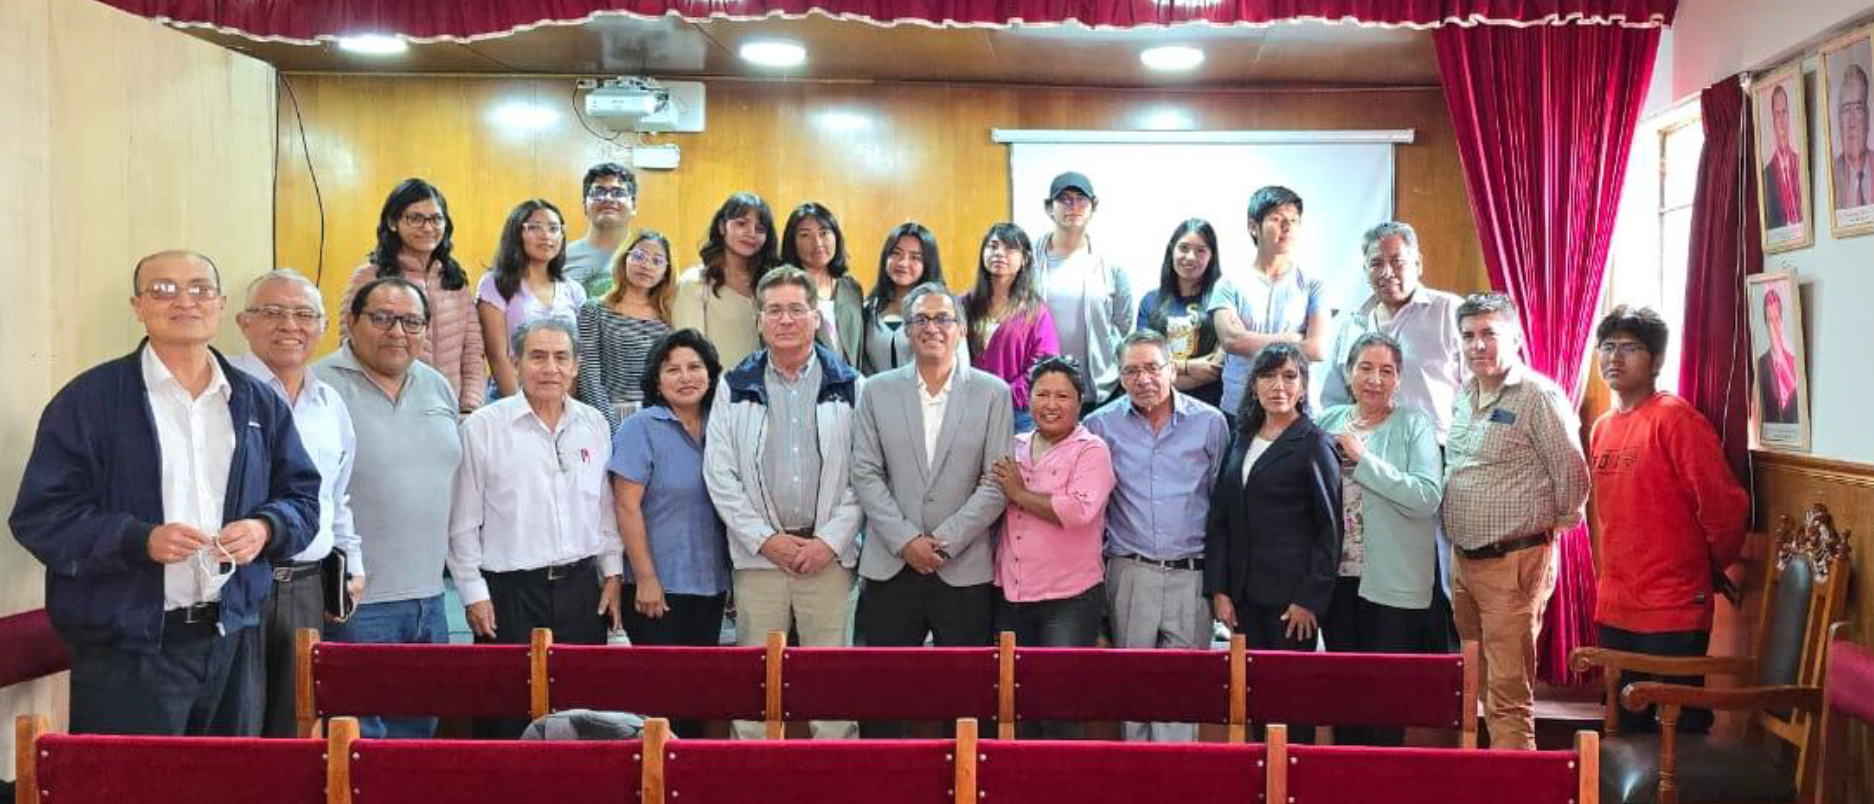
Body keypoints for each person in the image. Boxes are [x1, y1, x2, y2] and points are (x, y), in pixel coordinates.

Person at [11, 250, 319, 735]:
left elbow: (302, 498)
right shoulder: (89, 402)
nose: (184, 300)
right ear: (138, 305)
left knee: (228, 786)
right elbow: (41, 517)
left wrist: (265, 527)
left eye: (199, 289)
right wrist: (138, 540)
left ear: (219, 305)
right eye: (163, 289)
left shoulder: (256, 401)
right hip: (127, 652)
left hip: (233, 640)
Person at [703, 267, 864, 740]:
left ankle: (837, 777)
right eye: (774, 310)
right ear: (759, 320)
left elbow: (866, 475)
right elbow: (720, 473)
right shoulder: (735, 385)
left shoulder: (851, 384)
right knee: (755, 682)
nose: (786, 320)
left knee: (830, 685)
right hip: (759, 560)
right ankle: (751, 778)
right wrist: (766, 540)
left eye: (797, 309)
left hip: (828, 558)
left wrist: (829, 542)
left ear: (816, 317)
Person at [853, 282, 1014, 736]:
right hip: (891, 563)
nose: (932, 328)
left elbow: (997, 480)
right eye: (920, 320)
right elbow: (865, 473)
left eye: (943, 319)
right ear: (905, 331)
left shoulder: (992, 392)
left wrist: (942, 543)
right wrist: (907, 541)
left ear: (962, 329)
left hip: (963, 567)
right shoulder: (876, 391)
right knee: (884, 695)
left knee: (966, 695)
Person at [449, 319, 623, 737]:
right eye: (538, 356)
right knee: (505, 715)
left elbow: (604, 506)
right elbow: (463, 521)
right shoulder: (483, 428)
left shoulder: (594, 424)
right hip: (509, 595)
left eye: (561, 357)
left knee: (582, 719)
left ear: (577, 365)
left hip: (582, 591)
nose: (550, 368)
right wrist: (473, 594)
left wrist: (613, 572)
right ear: (515, 361)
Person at [314, 277, 465, 739]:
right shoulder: (319, 386)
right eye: (382, 318)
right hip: (358, 605)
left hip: (431, 601)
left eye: (411, 321)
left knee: (418, 735)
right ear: (352, 322)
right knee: (361, 744)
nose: (397, 331)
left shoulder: (437, 386)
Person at [1589, 306, 1749, 735]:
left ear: (1657, 361)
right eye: (1607, 347)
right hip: (1616, 606)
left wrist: (1705, 567)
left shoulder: (1676, 419)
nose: (1615, 358)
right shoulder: (1602, 427)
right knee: (1621, 732)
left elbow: (1726, 508)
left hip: (1673, 609)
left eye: (1630, 348)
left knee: (1676, 736)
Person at [1442, 292, 1590, 751]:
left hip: (1515, 564)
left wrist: (1540, 538)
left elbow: (1573, 478)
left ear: (1516, 337)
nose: (1477, 345)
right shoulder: (1465, 394)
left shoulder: (1538, 396)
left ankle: (1514, 788)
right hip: (1465, 563)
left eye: (1489, 333)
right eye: (1468, 336)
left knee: (1508, 699)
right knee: (1481, 689)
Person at [228, 270, 365, 738]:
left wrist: (352, 565)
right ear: (244, 322)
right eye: (273, 312)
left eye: (304, 314)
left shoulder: (330, 404)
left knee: (296, 725)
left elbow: (335, 496)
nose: (290, 324)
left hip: (307, 587)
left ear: (323, 327)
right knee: (236, 724)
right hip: (237, 582)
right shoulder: (219, 392)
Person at [1319, 221, 1466, 654]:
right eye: (1376, 263)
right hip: (1362, 453)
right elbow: (1331, 395)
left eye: (1397, 261)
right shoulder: (1352, 322)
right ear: (1364, 269)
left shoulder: (1446, 312)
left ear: (1417, 262)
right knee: (1369, 575)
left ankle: (1440, 677)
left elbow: (1474, 389)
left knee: (1436, 578)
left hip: (1432, 455)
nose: (1387, 271)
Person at [1083, 331, 1228, 743]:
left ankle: (1178, 782)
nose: (1143, 378)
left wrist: (1220, 584)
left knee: (1182, 693)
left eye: (1152, 367)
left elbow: (1221, 508)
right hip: (1130, 572)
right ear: (1120, 375)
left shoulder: (1210, 423)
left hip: (1192, 575)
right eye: (1131, 370)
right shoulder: (1100, 425)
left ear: (1171, 369)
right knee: (1134, 691)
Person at [1313, 333, 1443, 745]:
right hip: (1337, 579)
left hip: (1393, 582)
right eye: (1365, 368)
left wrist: (1363, 458)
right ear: (1348, 373)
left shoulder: (1414, 424)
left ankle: (1382, 780)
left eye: (1386, 371)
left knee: (1386, 695)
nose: (1374, 379)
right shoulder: (1326, 422)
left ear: (1399, 379)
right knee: (1343, 692)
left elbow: (1426, 496)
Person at [990, 356, 1114, 738]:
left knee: (1059, 706)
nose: (1051, 404)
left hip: (1069, 599)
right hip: (1010, 594)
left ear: (1079, 403)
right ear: (1029, 398)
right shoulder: (1013, 444)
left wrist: (1019, 494)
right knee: (1016, 704)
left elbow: (1078, 510)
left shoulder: (1091, 450)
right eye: (1043, 394)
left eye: (1063, 395)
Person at [1205, 342, 1342, 653]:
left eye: (1290, 376)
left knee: (1288, 696)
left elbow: (1329, 531)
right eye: (1268, 376)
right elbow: (1220, 518)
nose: (1278, 386)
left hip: (1292, 604)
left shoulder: (1316, 444)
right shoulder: (1241, 437)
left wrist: (1309, 600)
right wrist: (1219, 589)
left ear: (1304, 387)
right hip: (1241, 598)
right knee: (1244, 693)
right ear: (1253, 386)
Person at [610, 330, 732, 660]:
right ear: (657, 380)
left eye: (694, 367)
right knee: (661, 697)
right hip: (657, 588)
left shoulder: (722, 426)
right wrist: (647, 578)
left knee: (698, 692)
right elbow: (625, 506)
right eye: (672, 369)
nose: (685, 377)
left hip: (712, 584)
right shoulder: (640, 427)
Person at [339, 178, 486, 413]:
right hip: (389, 409)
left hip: (450, 411)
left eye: (436, 219)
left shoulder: (454, 278)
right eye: (415, 218)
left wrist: (470, 407)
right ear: (393, 222)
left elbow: (473, 351)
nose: (428, 228)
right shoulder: (370, 276)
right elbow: (351, 349)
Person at [1210, 186, 1332, 417]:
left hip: (1296, 407)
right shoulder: (1229, 285)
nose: (1287, 227)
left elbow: (1315, 349)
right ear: (1253, 227)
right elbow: (1232, 341)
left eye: (1294, 220)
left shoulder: (1312, 284)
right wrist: (1291, 339)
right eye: (1276, 219)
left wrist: (1251, 341)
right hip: (1241, 407)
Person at [1030, 171, 1133, 409]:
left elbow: (1122, 325)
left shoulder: (1111, 264)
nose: (1073, 206)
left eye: (1081, 199)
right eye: (1064, 199)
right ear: (1049, 208)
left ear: (1093, 206)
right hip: (1040, 388)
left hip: (1096, 392)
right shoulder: (1028, 259)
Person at [477, 199, 586, 399]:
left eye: (554, 228)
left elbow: (576, 355)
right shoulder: (494, 284)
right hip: (509, 398)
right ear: (516, 233)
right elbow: (497, 357)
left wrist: (564, 405)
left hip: (561, 401)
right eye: (535, 228)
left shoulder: (574, 290)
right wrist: (523, 409)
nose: (546, 235)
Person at [961, 222, 1059, 432]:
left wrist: (1003, 397)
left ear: (1024, 259)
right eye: (993, 246)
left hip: (1018, 415)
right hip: (967, 411)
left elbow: (1043, 367)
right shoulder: (962, 305)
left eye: (1010, 248)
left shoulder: (1036, 311)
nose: (999, 253)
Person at [576, 230, 675, 431]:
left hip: (662, 420)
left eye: (657, 261)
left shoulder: (670, 317)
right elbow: (589, 379)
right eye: (639, 256)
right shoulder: (594, 310)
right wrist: (613, 430)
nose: (646, 265)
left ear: (666, 271)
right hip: (608, 419)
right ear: (624, 259)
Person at [674, 192, 780, 369]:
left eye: (760, 229)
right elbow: (690, 351)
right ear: (722, 226)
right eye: (741, 223)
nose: (751, 233)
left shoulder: (771, 283)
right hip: (720, 391)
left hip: (769, 390)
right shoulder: (695, 281)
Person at [1136, 219, 1226, 408]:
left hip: (1209, 408)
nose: (1191, 257)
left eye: (1201, 250)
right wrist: (1190, 367)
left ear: (1211, 256)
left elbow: (1214, 369)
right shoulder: (1150, 301)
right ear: (1172, 250)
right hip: (1157, 406)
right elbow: (1144, 361)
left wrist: (1165, 374)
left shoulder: (1223, 301)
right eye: (1184, 248)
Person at [858, 223, 952, 375]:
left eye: (915, 257)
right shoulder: (868, 310)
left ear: (927, 264)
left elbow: (960, 368)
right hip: (878, 396)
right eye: (896, 253)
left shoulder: (945, 310)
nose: (903, 263)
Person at [780, 202, 865, 364]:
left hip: (850, 384)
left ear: (836, 236)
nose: (817, 243)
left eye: (824, 233)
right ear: (792, 242)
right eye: (805, 235)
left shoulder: (851, 287)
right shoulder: (782, 288)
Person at [563, 162, 638, 298]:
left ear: (634, 206)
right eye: (598, 192)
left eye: (618, 193)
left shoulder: (648, 260)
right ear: (585, 206)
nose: (608, 198)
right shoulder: (561, 258)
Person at [1756, 285, 1801, 424]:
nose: (1774, 326)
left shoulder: (1795, 363)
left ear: (1782, 322)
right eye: (1770, 320)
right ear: (1765, 324)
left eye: (1777, 319)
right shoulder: (1760, 365)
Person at [1762, 85, 1806, 229]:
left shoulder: (1800, 163)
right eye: (1777, 114)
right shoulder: (1767, 174)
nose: (1781, 119)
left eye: (1784, 112)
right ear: (1772, 119)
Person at [1833, 65, 1874, 210]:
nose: (1852, 123)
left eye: (1857, 108)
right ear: (1839, 121)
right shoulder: (1832, 175)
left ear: (1868, 117)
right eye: (1846, 110)